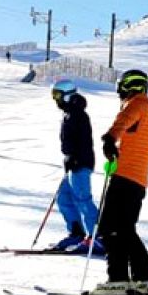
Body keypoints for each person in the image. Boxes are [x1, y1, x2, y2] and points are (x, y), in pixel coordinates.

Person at [91, 69, 148, 295]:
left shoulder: (137, 104)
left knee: (110, 228)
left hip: (125, 178)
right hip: (138, 179)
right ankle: (141, 280)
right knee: (124, 229)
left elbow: (123, 121)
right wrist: (122, 151)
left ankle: (119, 281)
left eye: (120, 87)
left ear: (129, 87)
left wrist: (110, 139)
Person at [49, 79, 103, 254]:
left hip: (80, 164)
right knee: (64, 198)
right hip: (72, 163)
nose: (55, 99)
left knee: (83, 200)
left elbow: (84, 141)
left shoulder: (78, 114)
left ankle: (98, 238)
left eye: (57, 95)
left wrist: (75, 158)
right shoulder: (69, 113)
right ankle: (77, 233)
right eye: (53, 95)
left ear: (67, 95)